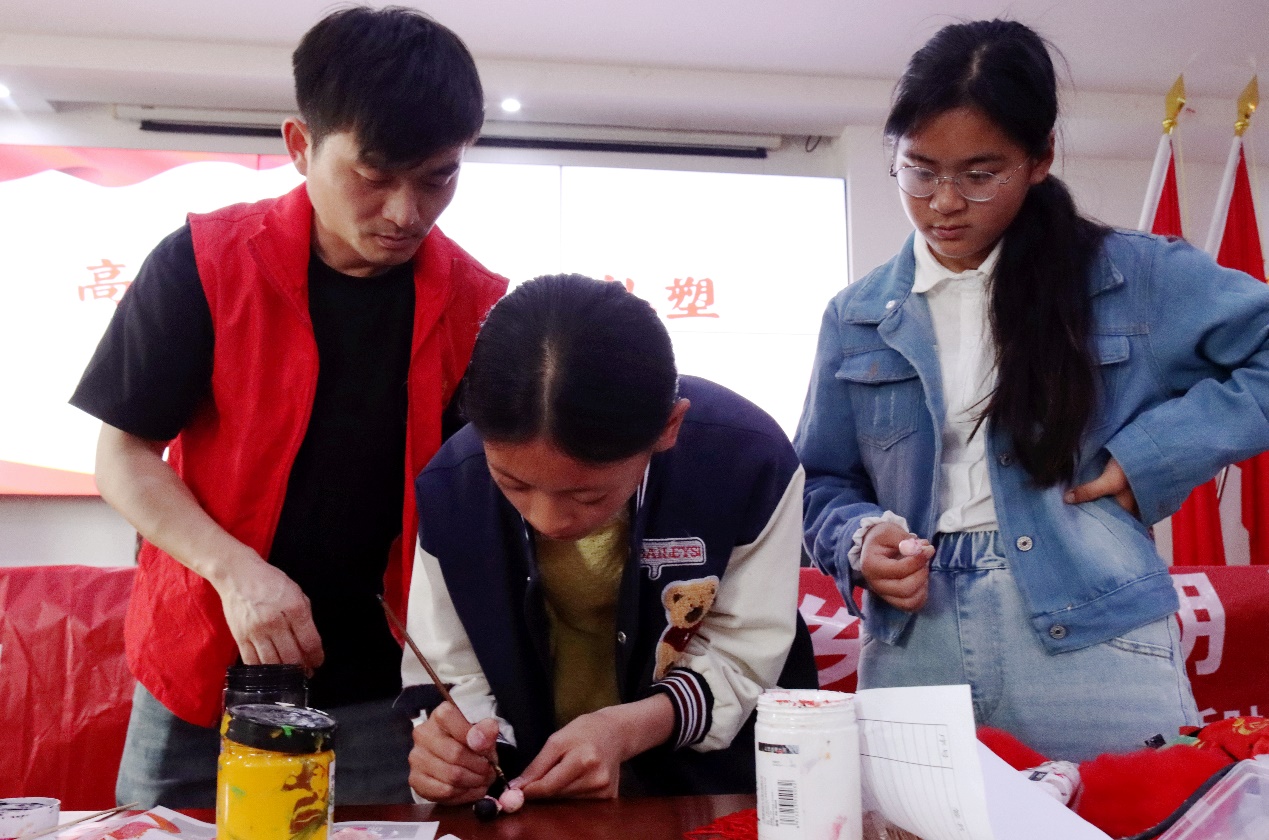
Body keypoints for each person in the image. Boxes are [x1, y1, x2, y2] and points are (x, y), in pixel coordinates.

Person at [796, 18, 1269, 762]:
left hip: (1094, 633)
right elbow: (820, 479)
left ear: (1039, 158)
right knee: (914, 819)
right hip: (915, 645)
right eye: (919, 170)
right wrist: (859, 541)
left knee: (1120, 814)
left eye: (979, 174)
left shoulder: (1134, 277)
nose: (944, 201)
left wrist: (1152, 455)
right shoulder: (856, 316)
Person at [70, 6, 507, 806]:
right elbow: (123, 456)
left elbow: (480, 504)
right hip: (204, 672)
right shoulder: (206, 263)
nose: (406, 212)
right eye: (374, 175)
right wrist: (235, 571)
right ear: (301, 144)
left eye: (437, 177)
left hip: (380, 691)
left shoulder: (475, 306)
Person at [399, 273, 817, 804]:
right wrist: (456, 750)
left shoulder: (745, 462)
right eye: (514, 484)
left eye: (587, 495)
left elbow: (746, 651)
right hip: (534, 798)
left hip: (714, 792)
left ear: (668, 427)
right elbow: (449, 668)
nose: (549, 521)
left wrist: (631, 727)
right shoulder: (452, 487)